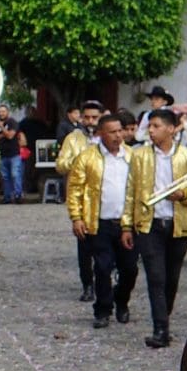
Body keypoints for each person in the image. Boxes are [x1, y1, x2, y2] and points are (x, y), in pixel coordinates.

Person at [125, 107, 187, 347]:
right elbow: (130, 191)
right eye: (149, 126)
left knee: (171, 278)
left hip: (178, 225)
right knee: (156, 277)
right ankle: (160, 329)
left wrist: (183, 195)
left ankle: (164, 316)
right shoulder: (139, 156)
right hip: (149, 224)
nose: (150, 130)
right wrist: (126, 225)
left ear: (171, 129)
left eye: (156, 126)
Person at [68, 111, 138, 327]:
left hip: (127, 223)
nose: (118, 136)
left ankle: (122, 300)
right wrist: (76, 217)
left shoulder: (133, 156)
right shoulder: (87, 158)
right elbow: (75, 189)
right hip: (99, 222)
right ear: (100, 134)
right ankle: (103, 309)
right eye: (112, 132)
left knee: (130, 269)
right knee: (102, 267)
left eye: (120, 131)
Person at [56, 100, 104, 301]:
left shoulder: (109, 136)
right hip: (83, 199)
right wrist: (80, 160)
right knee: (85, 247)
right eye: (87, 117)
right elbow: (60, 165)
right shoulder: (73, 138)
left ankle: (104, 282)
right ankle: (87, 285)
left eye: (95, 118)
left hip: (107, 198)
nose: (91, 121)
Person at [0, 105, 29, 204]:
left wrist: (2, 128)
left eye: (3, 111)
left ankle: (18, 195)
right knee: (5, 177)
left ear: (7, 112)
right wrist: (4, 134)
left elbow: (10, 136)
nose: (1, 113)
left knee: (15, 174)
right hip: (1, 154)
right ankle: (7, 197)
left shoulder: (12, 122)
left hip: (14, 154)